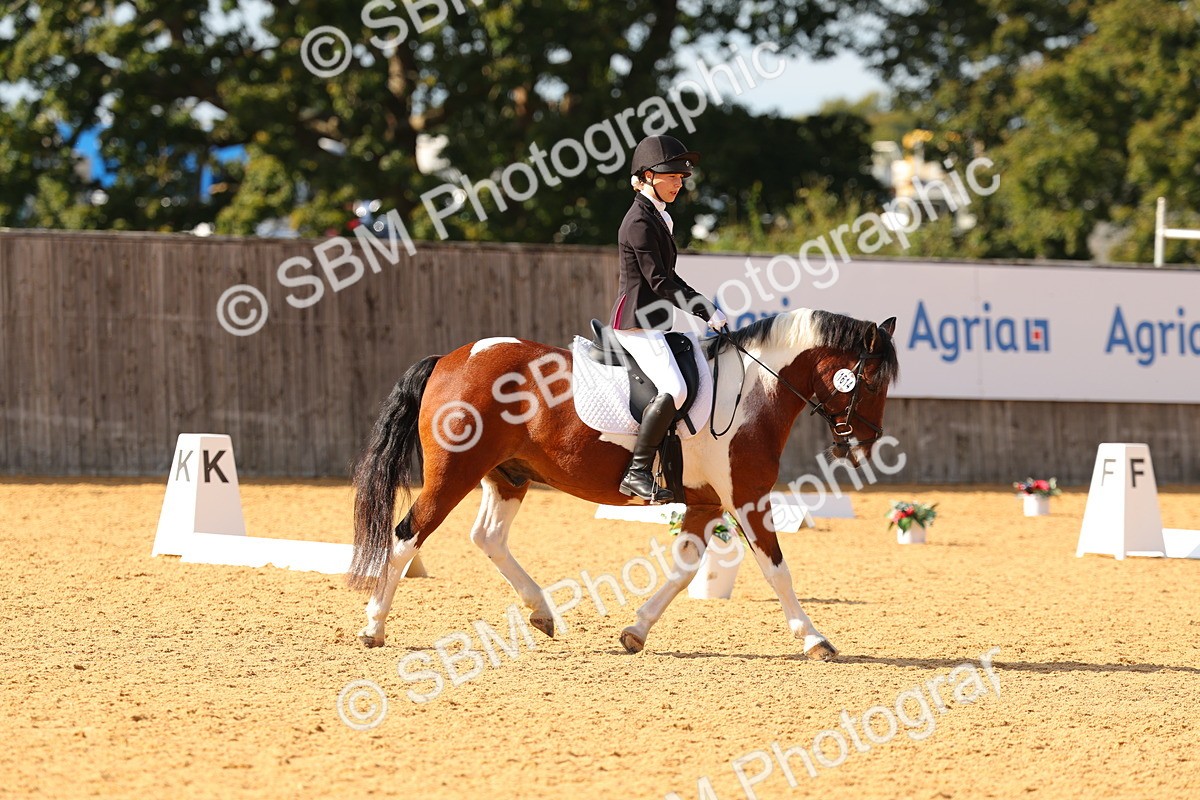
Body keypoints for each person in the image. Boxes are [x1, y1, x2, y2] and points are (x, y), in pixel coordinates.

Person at [610, 134, 728, 503]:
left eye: (682, 177)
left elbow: (670, 278)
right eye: (672, 176)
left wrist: (702, 305)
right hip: (636, 322)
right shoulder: (639, 223)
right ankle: (637, 471)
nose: (680, 182)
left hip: (654, 321)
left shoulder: (657, 217)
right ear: (647, 176)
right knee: (675, 390)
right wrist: (702, 309)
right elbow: (659, 281)